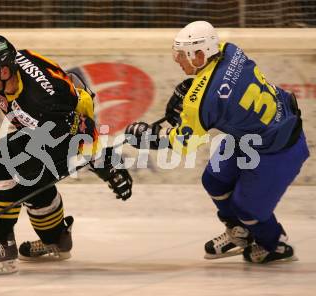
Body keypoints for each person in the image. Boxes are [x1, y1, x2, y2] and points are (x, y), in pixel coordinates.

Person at [125, 21, 309, 263]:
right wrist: (195, 90)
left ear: (200, 54)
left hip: (280, 148)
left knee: (248, 208)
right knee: (214, 179)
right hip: (257, 135)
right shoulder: (230, 50)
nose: (177, 60)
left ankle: (275, 244)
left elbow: (184, 143)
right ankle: (239, 231)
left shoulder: (201, 102)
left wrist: (148, 138)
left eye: (182, 55)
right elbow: (219, 84)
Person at [0, 35, 133, 275]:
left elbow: (82, 132)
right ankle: (56, 241)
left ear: (6, 72)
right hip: (43, 125)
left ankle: (2, 245)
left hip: (62, 132)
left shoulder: (44, 101)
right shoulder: (8, 74)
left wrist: (109, 166)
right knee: (32, 180)